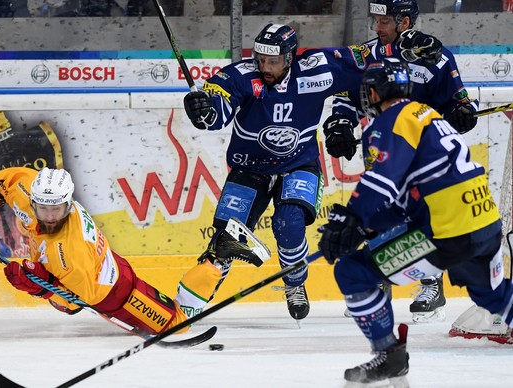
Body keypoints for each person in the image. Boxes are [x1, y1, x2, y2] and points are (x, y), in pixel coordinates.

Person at [183, 23, 439, 322]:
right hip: (249, 168)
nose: (264, 66)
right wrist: (204, 109)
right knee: (226, 236)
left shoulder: (318, 69)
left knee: (289, 223)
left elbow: (367, 57)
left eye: (273, 61)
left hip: (298, 164)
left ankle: (294, 284)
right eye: (260, 59)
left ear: (290, 57)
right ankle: (190, 303)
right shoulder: (240, 75)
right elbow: (217, 111)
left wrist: (408, 47)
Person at [318, 58, 511, 384]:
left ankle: (389, 356)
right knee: (492, 296)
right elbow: (408, 198)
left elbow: (383, 182)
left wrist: (352, 217)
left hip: (446, 231)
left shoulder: (392, 121)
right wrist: (364, 226)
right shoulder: (429, 115)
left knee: (352, 272)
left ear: (376, 92)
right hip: (484, 221)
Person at [0, 167, 263, 335]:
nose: (48, 216)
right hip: (95, 268)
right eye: (42, 208)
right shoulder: (27, 191)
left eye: (56, 210)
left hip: (116, 292)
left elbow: (82, 298)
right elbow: (2, 181)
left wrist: (36, 283)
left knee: (179, 324)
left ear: (68, 204)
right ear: (33, 200)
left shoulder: (70, 249)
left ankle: (219, 253)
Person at [322, 0, 479, 322]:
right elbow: (347, 98)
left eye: (383, 21)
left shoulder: (434, 56)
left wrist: (460, 113)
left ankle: (431, 281)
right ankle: (378, 283)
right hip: (384, 147)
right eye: (375, 20)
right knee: (379, 210)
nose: (376, 28)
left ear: (404, 21)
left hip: (423, 155)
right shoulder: (367, 56)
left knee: (421, 213)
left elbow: (457, 100)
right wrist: (339, 124)